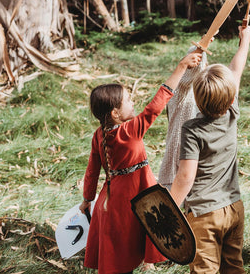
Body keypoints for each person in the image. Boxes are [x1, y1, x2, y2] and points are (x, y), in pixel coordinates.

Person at [79, 51, 202, 274]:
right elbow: (157, 104)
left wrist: (87, 199)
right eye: (128, 100)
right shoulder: (129, 132)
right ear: (116, 113)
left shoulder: (99, 134)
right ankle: (144, 261)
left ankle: (141, 262)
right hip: (136, 196)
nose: (133, 101)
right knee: (134, 239)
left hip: (110, 200)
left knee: (119, 251)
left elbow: (91, 171)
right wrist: (181, 66)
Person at [169, 25, 250, 274]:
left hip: (204, 214)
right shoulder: (231, 112)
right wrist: (244, 40)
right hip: (235, 207)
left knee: (204, 270)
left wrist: (170, 210)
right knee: (233, 266)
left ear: (196, 96)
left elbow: (185, 177)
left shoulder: (192, 129)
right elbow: (236, 70)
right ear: (230, 99)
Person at [158, 45, 208, 190]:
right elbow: (188, 79)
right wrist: (200, 51)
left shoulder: (206, 95)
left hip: (197, 165)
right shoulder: (181, 93)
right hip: (175, 165)